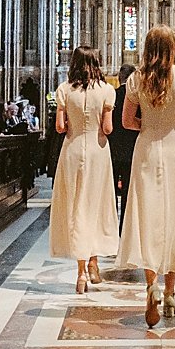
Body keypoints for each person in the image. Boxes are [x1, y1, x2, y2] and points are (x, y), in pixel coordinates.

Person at [116, 25, 175, 327]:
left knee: (148, 219)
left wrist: (149, 124)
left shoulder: (135, 80)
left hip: (146, 152)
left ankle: (151, 285)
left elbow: (127, 122)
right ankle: (170, 292)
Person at [51, 46, 119, 293]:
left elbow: (60, 127)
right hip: (98, 152)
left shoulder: (64, 90)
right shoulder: (107, 91)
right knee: (95, 206)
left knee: (76, 206)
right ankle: (93, 263)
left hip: (72, 149)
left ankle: (80, 273)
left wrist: (72, 120)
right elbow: (108, 129)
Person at [108, 64, 138, 230]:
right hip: (132, 149)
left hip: (112, 149)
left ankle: (110, 228)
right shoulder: (137, 98)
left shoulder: (112, 95)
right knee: (128, 191)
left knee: (110, 190)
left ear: (119, 79)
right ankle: (124, 228)